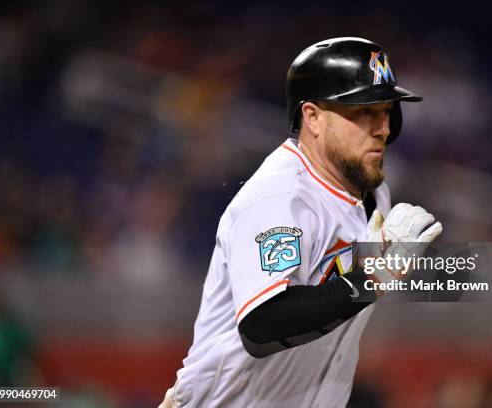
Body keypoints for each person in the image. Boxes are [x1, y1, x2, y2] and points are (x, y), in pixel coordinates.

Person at [159, 37, 442, 408]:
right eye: (364, 111)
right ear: (312, 117)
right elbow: (263, 324)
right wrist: (376, 276)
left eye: (387, 111)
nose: (383, 128)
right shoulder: (280, 196)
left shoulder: (375, 193)